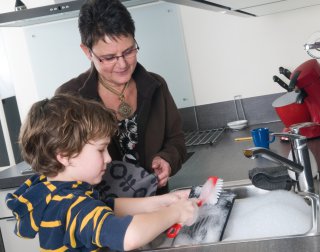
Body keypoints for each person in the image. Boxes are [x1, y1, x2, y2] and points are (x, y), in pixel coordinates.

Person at [5, 94, 198, 251]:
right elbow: (129, 237)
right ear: (65, 155)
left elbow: (107, 206)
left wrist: (165, 201)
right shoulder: (72, 206)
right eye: (100, 150)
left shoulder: (52, 192)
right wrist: (175, 213)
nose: (108, 158)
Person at [55, 0, 186, 196]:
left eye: (129, 51)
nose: (122, 64)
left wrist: (166, 159)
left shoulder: (156, 85)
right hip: (102, 216)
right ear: (87, 52)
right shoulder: (70, 98)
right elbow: (64, 169)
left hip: (157, 204)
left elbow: (176, 140)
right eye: (109, 58)